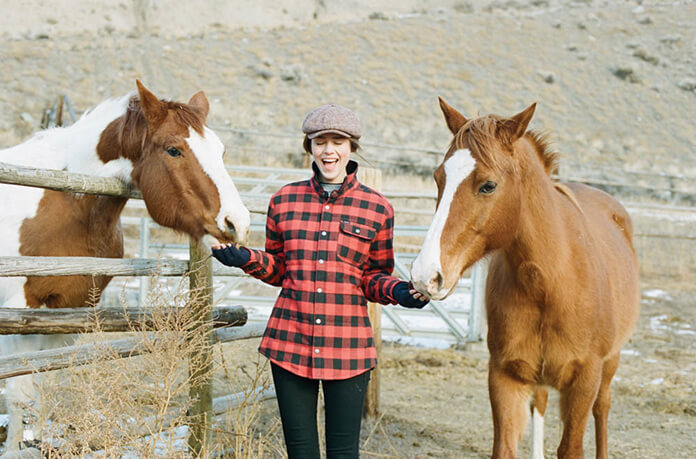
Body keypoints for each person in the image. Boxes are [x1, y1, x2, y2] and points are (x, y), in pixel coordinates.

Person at [211, 103, 429, 458]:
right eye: (320, 141)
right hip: (290, 343)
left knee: (343, 453)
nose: (329, 150)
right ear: (309, 147)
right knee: (301, 452)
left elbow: (373, 278)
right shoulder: (283, 200)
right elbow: (280, 269)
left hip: (349, 347)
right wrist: (244, 258)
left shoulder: (378, 208)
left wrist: (402, 292)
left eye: (338, 142)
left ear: (351, 147)